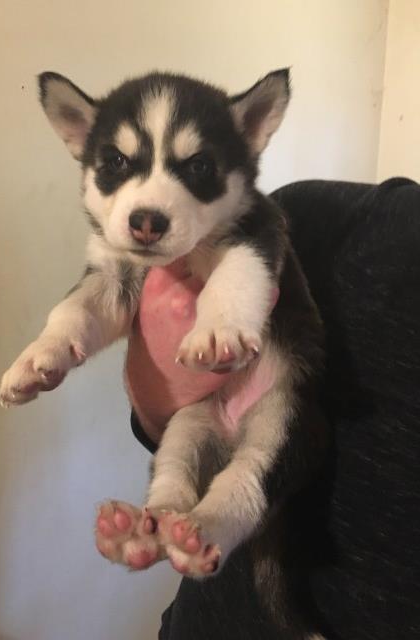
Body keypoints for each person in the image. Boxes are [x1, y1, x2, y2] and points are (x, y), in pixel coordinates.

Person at [125, 179, 420, 640]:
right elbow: (160, 420)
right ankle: (166, 510)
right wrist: (158, 386)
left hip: (271, 517)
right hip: (203, 622)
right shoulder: (316, 214)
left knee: (250, 470)